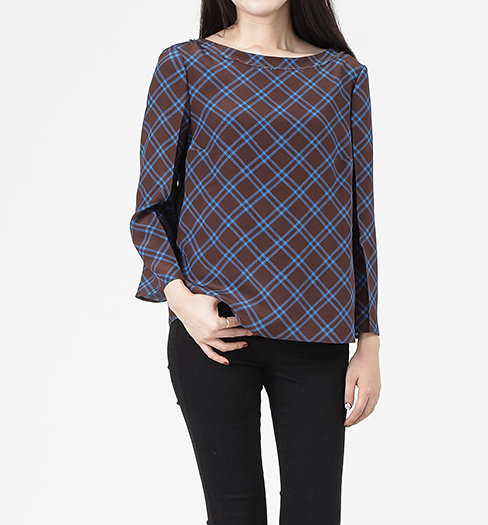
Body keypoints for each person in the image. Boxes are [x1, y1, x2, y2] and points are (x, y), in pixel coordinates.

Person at [128, 1, 381, 523]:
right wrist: (182, 303)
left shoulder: (343, 76)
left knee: (315, 515)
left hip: (317, 337)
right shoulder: (185, 65)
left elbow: (360, 218)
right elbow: (150, 210)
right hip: (215, 336)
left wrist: (369, 341)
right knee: (233, 515)